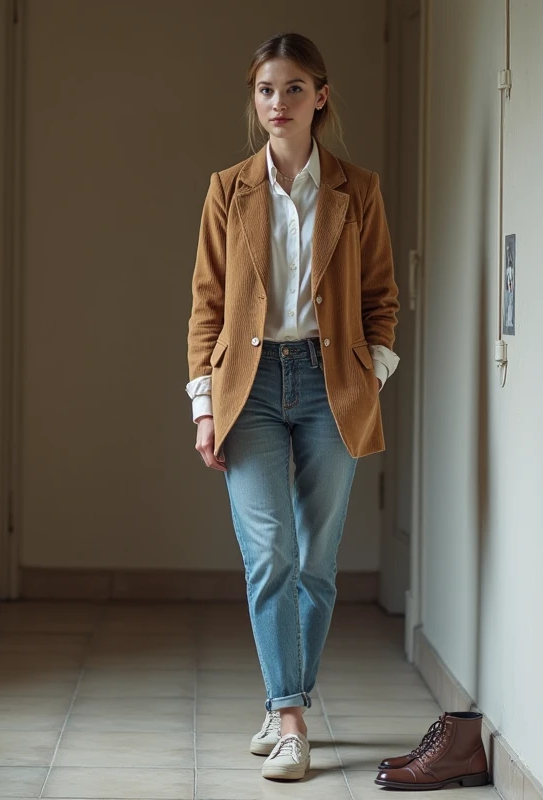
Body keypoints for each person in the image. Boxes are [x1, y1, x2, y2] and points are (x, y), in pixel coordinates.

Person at [185, 32, 399, 781]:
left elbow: (382, 300)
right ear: (255, 99)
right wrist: (203, 408)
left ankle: (282, 698)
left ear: (321, 96)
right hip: (248, 390)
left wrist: (370, 374)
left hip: (327, 384)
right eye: (266, 91)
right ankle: (292, 719)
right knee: (269, 553)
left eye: (294, 89)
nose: (278, 104)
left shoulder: (357, 190)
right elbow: (206, 307)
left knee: (316, 562)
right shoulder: (227, 189)